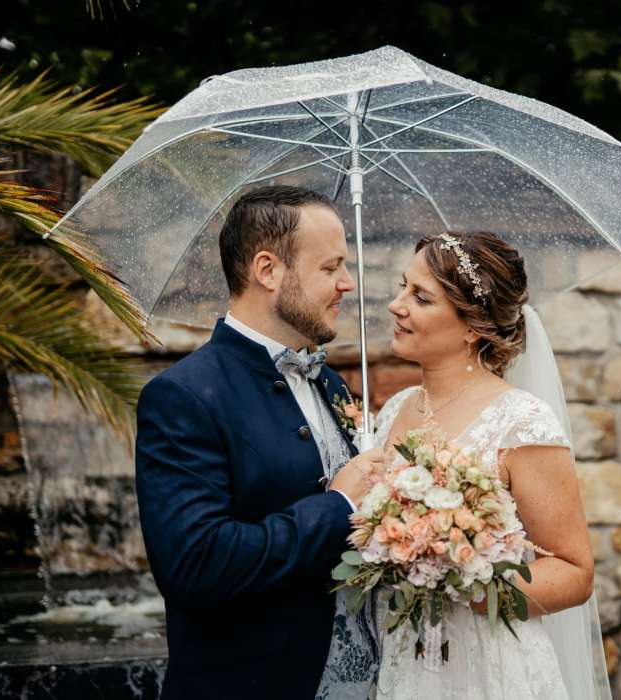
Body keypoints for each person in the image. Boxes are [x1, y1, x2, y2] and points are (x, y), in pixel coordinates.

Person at [318, 231, 610, 699]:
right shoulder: (395, 410)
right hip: (399, 653)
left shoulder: (521, 422)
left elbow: (575, 573)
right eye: (402, 287)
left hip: (485, 666)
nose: (396, 305)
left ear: (472, 326)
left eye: (421, 297)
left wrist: (464, 579)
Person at [135, 185, 383, 700]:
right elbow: (197, 565)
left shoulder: (332, 385)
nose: (347, 283)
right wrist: (340, 506)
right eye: (331, 267)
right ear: (267, 270)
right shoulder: (182, 396)